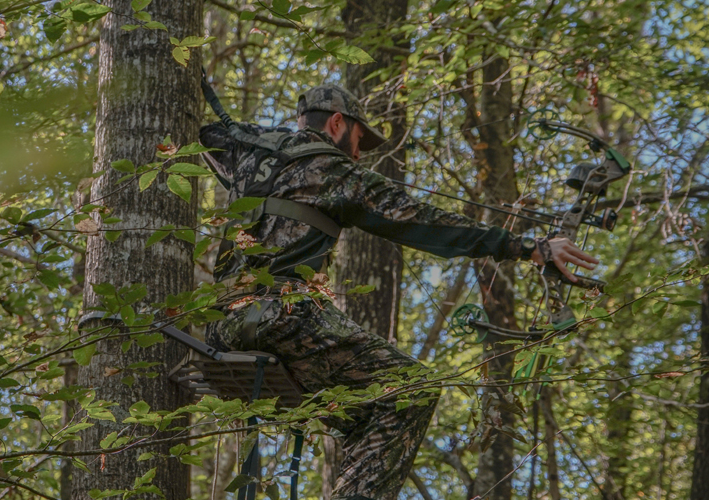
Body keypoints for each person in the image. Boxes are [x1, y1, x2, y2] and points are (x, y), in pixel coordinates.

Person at [199, 84, 598, 500]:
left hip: (221, 325)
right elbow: (425, 221)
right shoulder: (336, 172)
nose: (358, 154)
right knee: (412, 393)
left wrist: (255, 136)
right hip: (281, 316)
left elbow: (209, 133)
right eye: (357, 140)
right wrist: (529, 247)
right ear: (336, 123)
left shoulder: (247, 153)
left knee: (367, 413)